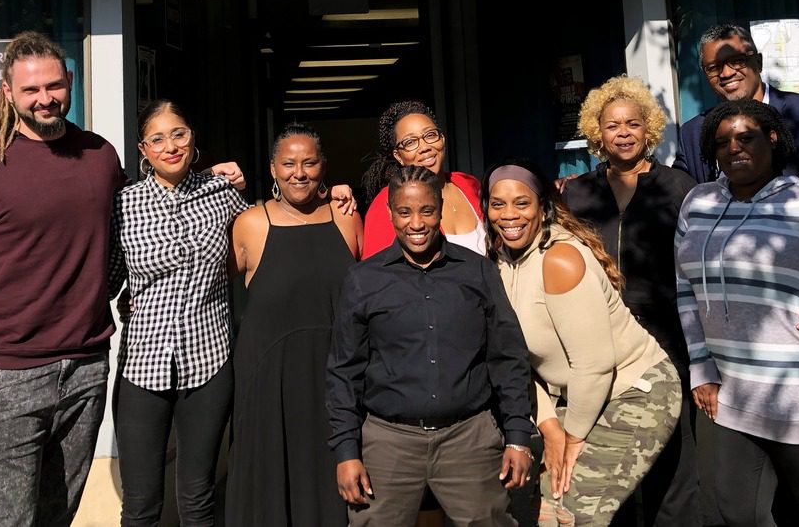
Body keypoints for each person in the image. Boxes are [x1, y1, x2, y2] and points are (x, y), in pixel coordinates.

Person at [674, 23, 799, 527]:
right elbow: (685, 214)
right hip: (738, 354)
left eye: (735, 59)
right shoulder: (696, 130)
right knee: (747, 495)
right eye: (712, 66)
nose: (726, 71)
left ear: (757, 58)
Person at [0, 31, 126, 526]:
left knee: (58, 517)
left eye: (54, 86)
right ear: (7, 93)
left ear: (70, 81)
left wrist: (208, 178)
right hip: (4, 378)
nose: (45, 99)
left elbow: (134, 227)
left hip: (85, 370)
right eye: (30, 90)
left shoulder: (100, 157)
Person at [327, 165, 534, 526]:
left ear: (440, 209)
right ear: (390, 213)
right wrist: (346, 451)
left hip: (468, 438)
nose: (417, 223)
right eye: (405, 212)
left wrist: (517, 437)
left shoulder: (478, 272)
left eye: (426, 211)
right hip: (388, 443)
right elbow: (344, 373)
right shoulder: (363, 280)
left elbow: (507, 358)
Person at [485, 160, 681, 527]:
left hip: (634, 390)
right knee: (545, 513)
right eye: (498, 204)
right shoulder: (499, 264)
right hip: (574, 401)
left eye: (521, 203)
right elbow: (516, 363)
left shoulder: (559, 259)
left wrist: (572, 440)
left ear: (543, 207)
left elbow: (595, 365)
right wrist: (550, 429)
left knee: (577, 513)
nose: (509, 214)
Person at [107, 99, 251, 527]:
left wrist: (327, 197)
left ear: (193, 139)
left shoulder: (222, 194)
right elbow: (104, 278)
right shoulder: (123, 205)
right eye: (157, 138)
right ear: (142, 149)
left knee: (198, 499)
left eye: (179, 134)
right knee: (140, 506)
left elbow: (268, 237)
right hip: (142, 368)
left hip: (208, 362)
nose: (170, 146)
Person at [566, 75, 700, 527]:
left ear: (649, 129)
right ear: (596, 132)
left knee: (670, 465)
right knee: (611, 466)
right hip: (603, 346)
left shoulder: (679, 188)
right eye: (612, 125)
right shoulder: (577, 192)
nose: (623, 132)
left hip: (667, 342)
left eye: (633, 123)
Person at [226, 123, 363, 527]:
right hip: (268, 381)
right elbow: (206, 286)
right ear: (272, 169)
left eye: (309, 163)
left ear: (324, 167)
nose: (298, 173)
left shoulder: (346, 216)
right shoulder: (250, 223)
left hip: (334, 379)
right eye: (288, 164)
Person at [362, 100, 484, 257]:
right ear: (398, 156)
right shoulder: (385, 204)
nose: (424, 147)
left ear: (442, 139)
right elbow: (376, 273)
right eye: (410, 142)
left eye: (430, 135)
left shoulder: (469, 185)